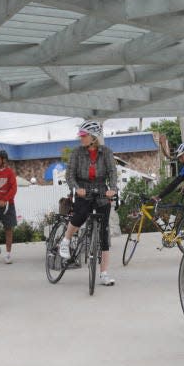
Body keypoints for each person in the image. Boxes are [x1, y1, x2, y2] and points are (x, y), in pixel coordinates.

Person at [58, 120, 118, 286]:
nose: (81, 138)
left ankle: (104, 273)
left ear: (93, 137)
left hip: (101, 191)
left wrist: (113, 188)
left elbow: (113, 172)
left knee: (104, 232)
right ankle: (66, 240)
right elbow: (69, 174)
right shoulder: (77, 152)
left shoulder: (106, 152)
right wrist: (76, 188)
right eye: (81, 135)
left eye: (84, 136)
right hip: (83, 189)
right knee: (81, 214)